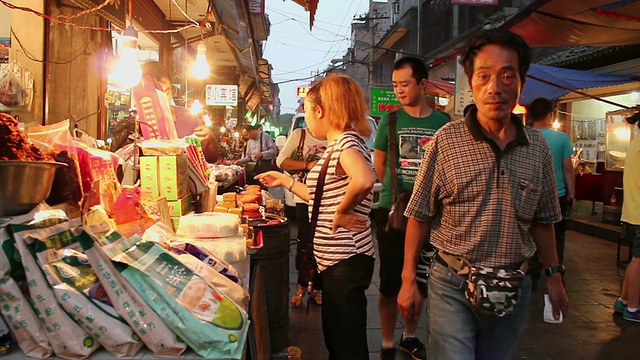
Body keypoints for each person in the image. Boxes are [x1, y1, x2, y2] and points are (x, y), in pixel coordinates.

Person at [398, 30, 570, 360]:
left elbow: (544, 221)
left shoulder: (538, 151)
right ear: (470, 80)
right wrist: (408, 281)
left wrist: (554, 277)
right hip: (452, 284)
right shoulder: (446, 141)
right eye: (484, 76)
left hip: (513, 287)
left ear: (521, 81)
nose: (495, 87)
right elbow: (419, 214)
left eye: (508, 76)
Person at [256, 74, 376, 359]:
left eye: (307, 111)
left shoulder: (346, 143)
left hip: (346, 259)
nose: (307, 119)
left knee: (347, 345)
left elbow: (364, 179)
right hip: (336, 261)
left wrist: (343, 212)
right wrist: (285, 182)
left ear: (320, 111)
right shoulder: (338, 146)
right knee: (340, 340)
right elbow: (321, 196)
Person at [372, 56, 449, 360]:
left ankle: (410, 335)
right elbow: (380, 164)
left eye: (405, 84)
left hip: (431, 215)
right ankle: (388, 339)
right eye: (395, 85)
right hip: (393, 212)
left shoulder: (442, 123)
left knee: (421, 279)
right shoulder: (390, 120)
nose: (399, 90)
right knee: (391, 281)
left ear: (423, 84)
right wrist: (397, 192)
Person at [276, 127, 327, 307]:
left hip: (329, 200)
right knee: (306, 243)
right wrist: (306, 165)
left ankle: (317, 288)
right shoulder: (300, 135)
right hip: (303, 198)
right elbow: (281, 161)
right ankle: (302, 284)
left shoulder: (336, 136)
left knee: (323, 245)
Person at [528, 97, 575, 289]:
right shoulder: (561, 138)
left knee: (529, 233)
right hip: (558, 194)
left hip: (530, 194)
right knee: (558, 235)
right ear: (550, 114)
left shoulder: (526, 136)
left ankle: (531, 273)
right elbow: (568, 168)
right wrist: (572, 192)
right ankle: (555, 272)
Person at [140, 61, 219, 163]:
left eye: (167, 92)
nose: (163, 99)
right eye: (157, 95)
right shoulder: (136, 123)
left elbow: (212, 158)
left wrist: (210, 139)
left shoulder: (189, 118)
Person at [613, 109, 640, 322]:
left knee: (635, 260)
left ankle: (623, 300)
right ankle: (633, 308)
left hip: (632, 211)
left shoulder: (636, 143)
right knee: (638, 262)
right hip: (639, 213)